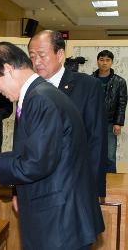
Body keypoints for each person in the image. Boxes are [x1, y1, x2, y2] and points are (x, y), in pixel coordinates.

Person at [0, 41, 104, 250]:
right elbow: (34, 152)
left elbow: (36, 163)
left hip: (59, 221)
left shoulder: (40, 100)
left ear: (8, 69)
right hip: (57, 216)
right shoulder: (40, 94)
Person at [28, 30, 107, 199]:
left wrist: (94, 188)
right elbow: (25, 144)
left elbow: (97, 140)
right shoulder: (28, 89)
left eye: (42, 55)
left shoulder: (88, 86)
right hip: (37, 186)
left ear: (60, 54)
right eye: (32, 56)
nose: (36, 62)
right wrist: (18, 190)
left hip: (75, 184)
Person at [93, 50, 127, 173]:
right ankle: (93, 182)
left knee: (110, 156)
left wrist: (118, 123)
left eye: (107, 60)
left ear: (112, 62)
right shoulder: (90, 80)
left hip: (110, 123)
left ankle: (111, 184)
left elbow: (122, 104)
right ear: (97, 61)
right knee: (93, 154)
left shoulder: (120, 81)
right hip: (93, 123)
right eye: (102, 60)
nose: (104, 63)